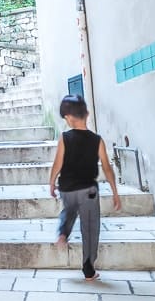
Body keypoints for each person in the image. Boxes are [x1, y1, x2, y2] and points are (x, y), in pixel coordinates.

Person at [48, 94, 121, 280]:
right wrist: (114, 192)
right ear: (87, 114)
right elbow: (106, 167)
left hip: (67, 189)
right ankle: (88, 269)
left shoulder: (65, 138)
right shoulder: (97, 140)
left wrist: (51, 182)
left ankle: (63, 232)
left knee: (69, 210)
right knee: (90, 228)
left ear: (69, 118)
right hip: (88, 191)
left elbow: (57, 164)